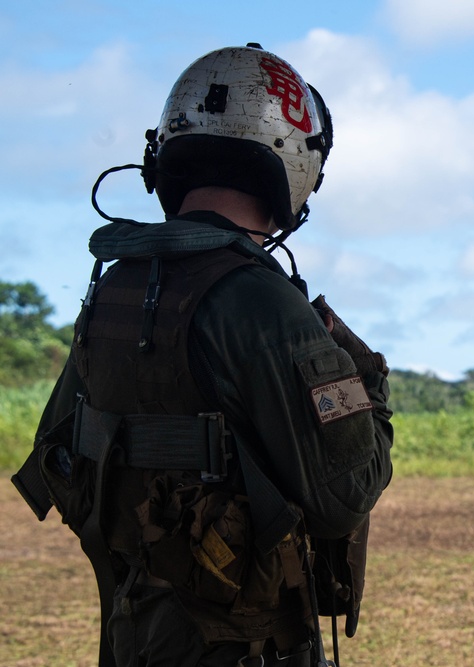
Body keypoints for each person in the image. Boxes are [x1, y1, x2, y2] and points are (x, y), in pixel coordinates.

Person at [12, 44, 393, 667]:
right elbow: (344, 495)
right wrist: (366, 383)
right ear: (295, 160)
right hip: (243, 646)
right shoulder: (266, 303)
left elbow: (62, 459)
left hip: (133, 635)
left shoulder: (112, 290)